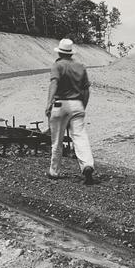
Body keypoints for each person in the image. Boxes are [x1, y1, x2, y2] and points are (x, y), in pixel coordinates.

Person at [45, 38, 95, 185]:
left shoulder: (57, 65)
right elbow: (86, 90)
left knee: (57, 140)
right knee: (80, 137)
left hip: (60, 105)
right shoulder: (81, 66)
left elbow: (54, 83)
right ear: (71, 53)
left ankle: (54, 171)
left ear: (60, 52)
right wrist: (82, 106)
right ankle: (87, 165)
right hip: (77, 104)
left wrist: (49, 103)